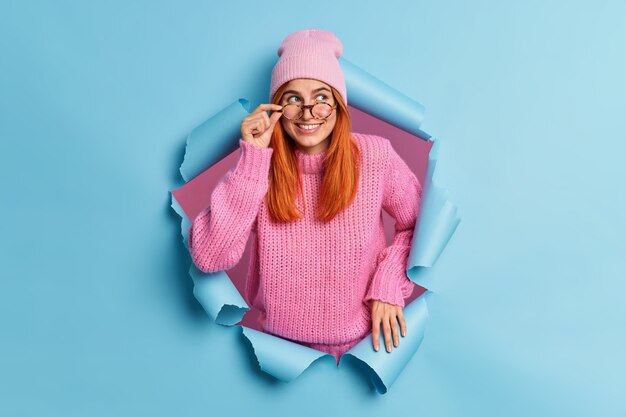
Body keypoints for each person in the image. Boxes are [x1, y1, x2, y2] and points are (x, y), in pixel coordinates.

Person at [188, 29, 422, 363]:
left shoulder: (375, 157)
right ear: (277, 108)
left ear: (338, 105)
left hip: (364, 350)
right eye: (293, 99)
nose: (308, 112)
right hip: (278, 354)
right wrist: (252, 157)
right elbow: (210, 255)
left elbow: (418, 226)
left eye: (321, 98)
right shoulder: (260, 167)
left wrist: (388, 284)